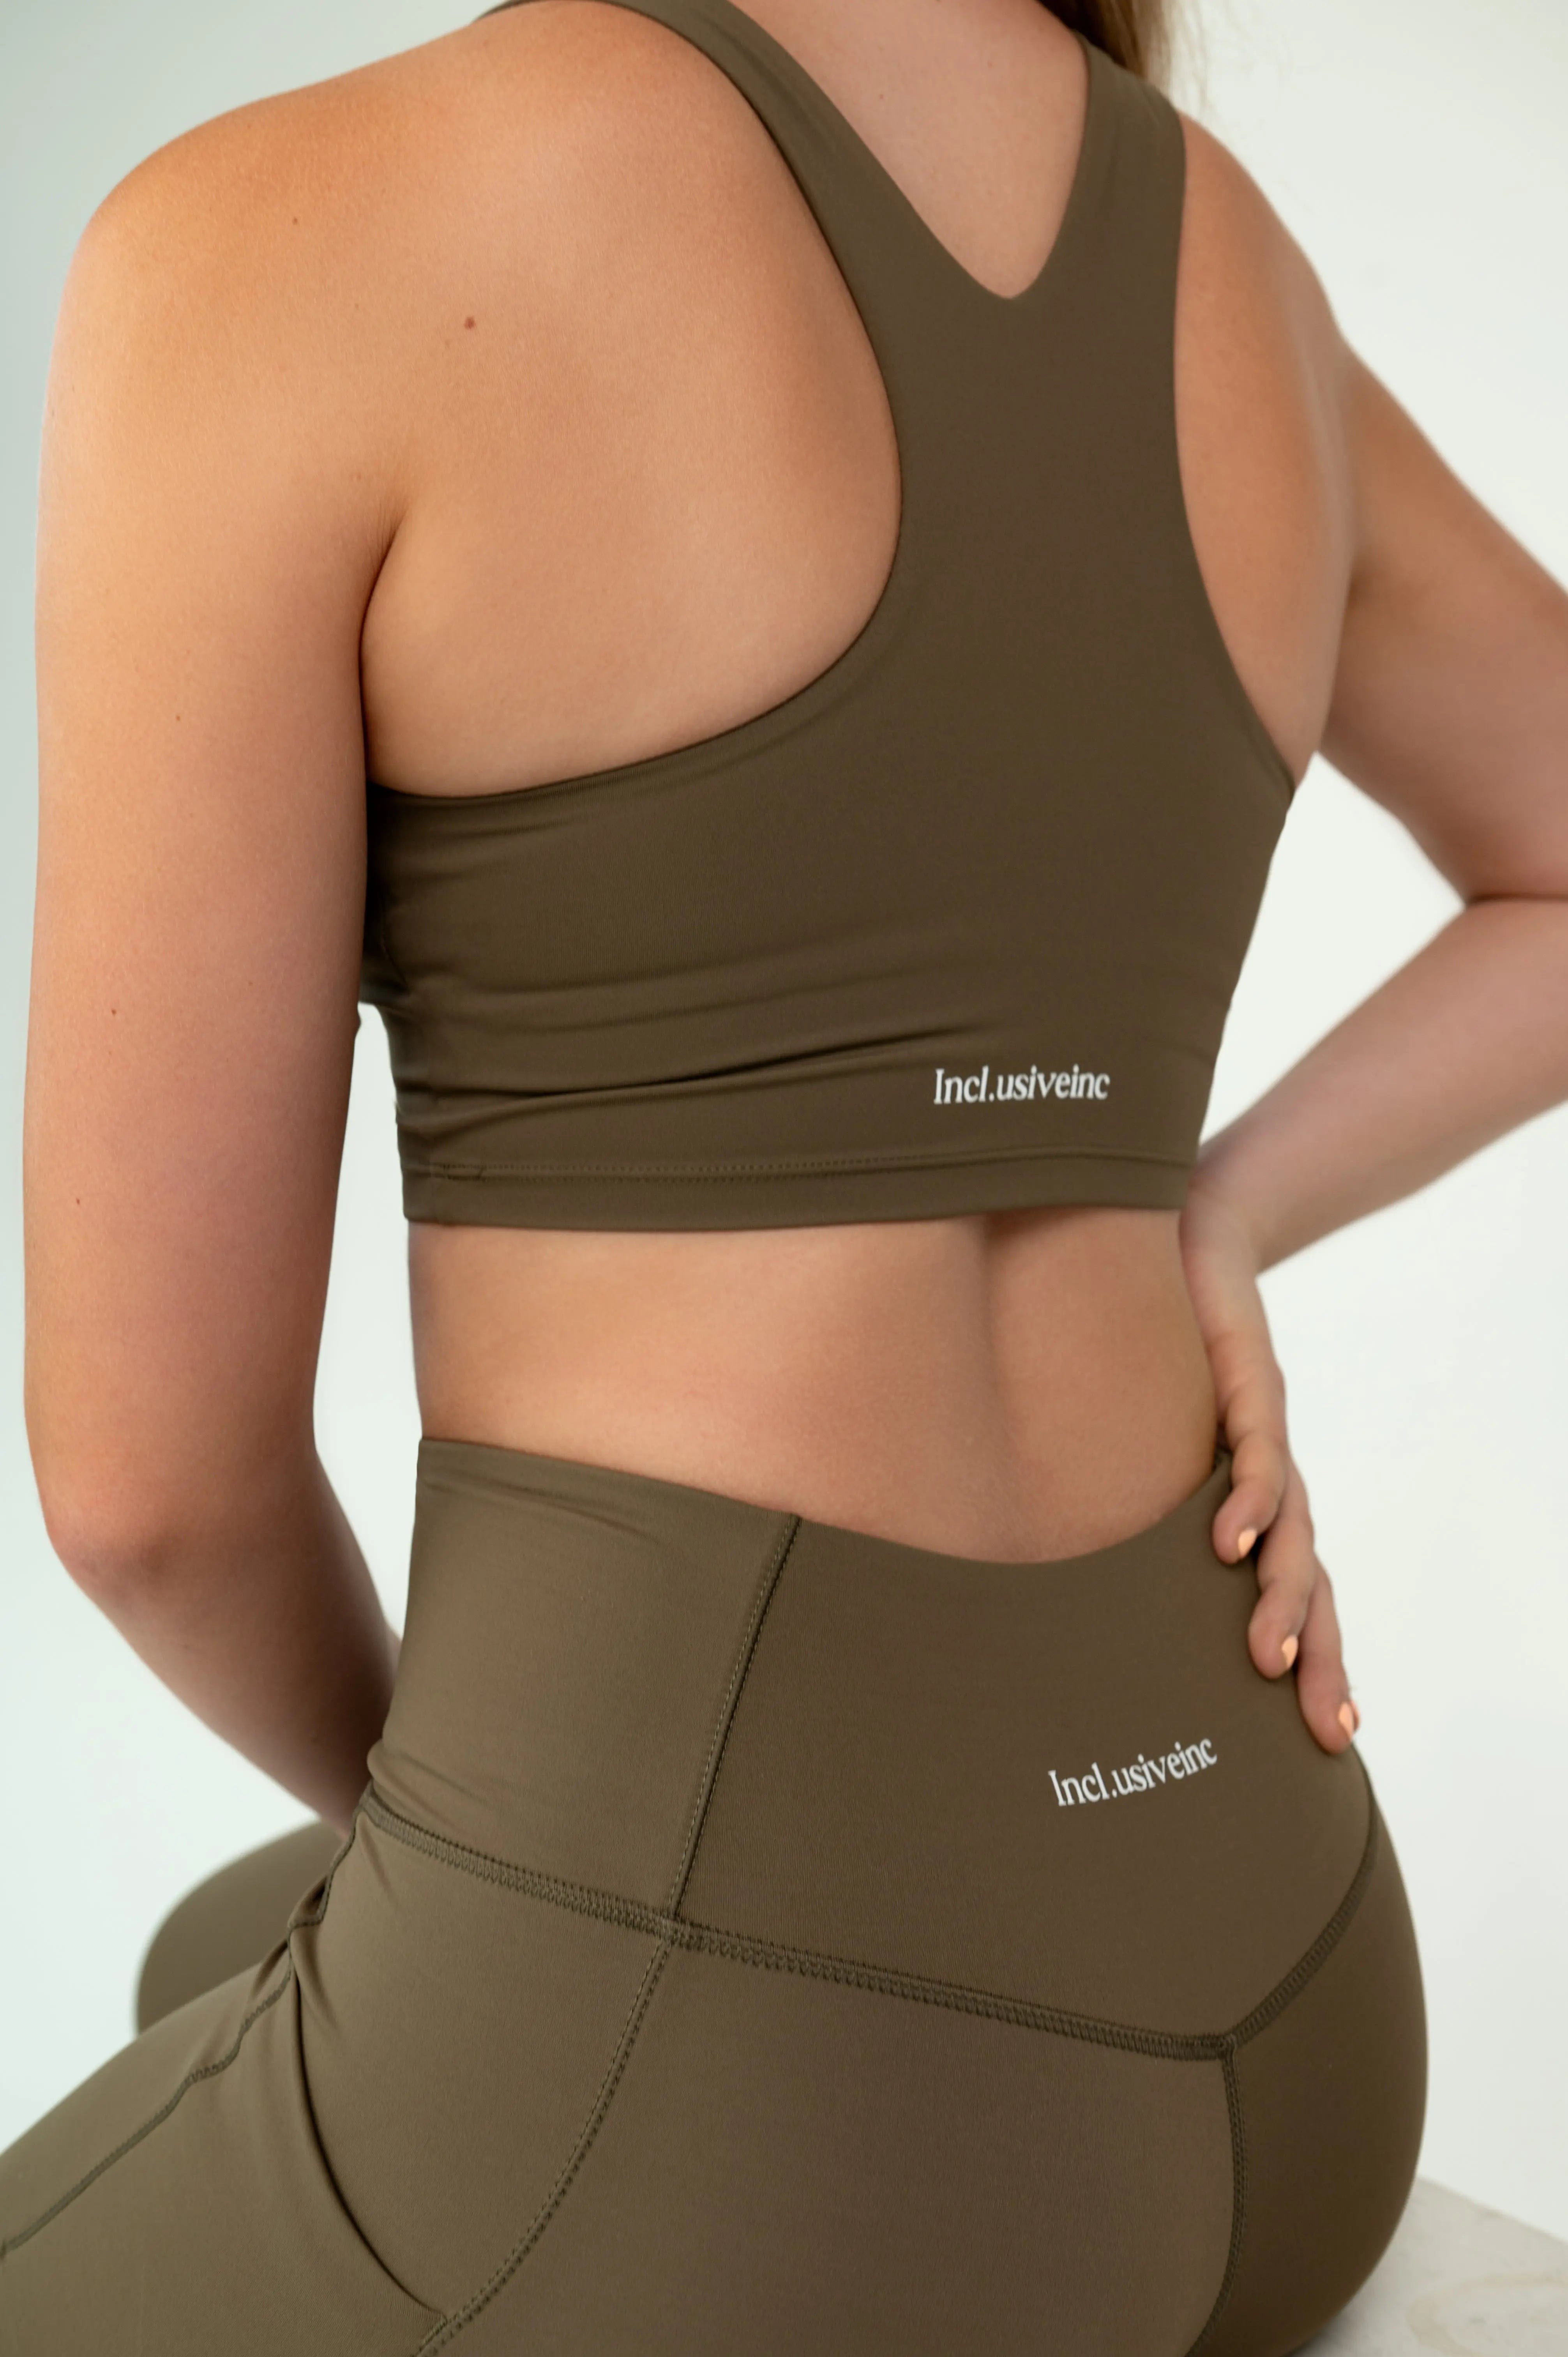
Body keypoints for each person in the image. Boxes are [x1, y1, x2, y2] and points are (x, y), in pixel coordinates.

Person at [3, 0, 1565, 2348]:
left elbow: (153, 1499)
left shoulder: (277, 241)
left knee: (362, 1993)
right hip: (1290, 2001)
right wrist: (1206, 1211)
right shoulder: (1225, 255)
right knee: (200, 1953)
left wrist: (571, 1888)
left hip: (787, 2130)